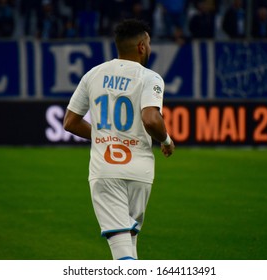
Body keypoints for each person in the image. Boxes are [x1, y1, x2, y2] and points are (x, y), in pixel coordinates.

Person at [63, 19, 175, 260]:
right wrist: (166, 141)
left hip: (106, 169)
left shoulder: (93, 74)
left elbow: (70, 122)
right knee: (129, 243)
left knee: (121, 249)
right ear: (142, 46)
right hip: (140, 171)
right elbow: (152, 118)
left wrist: (104, 136)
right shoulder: (150, 78)